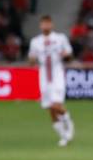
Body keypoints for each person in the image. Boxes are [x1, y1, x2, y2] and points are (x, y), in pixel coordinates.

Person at [28, 15, 75, 147]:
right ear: (40, 25)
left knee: (56, 105)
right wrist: (32, 60)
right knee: (50, 109)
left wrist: (66, 55)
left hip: (57, 75)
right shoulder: (35, 41)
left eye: (48, 23)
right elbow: (31, 61)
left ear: (52, 25)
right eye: (43, 23)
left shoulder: (60, 38)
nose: (46, 26)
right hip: (43, 77)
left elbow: (70, 55)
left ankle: (69, 122)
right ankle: (63, 136)